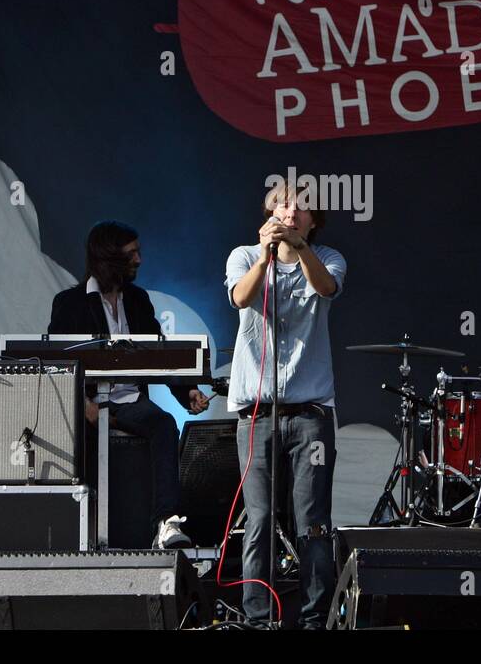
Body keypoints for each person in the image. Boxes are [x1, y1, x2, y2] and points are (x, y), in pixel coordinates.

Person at [226, 183, 346, 628]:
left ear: (313, 221)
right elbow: (241, 297)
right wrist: (265, 255)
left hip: (311, 414)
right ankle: (258, 619)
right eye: (280, 205)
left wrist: (299, 249)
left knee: (312, 522)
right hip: (256, 414)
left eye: (299, 207)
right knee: (257, 520)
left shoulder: (328, 257)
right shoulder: (242, 255)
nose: (289, 211)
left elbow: (327, 288)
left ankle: (315, 619)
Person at [48, 221, 210, 550]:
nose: (139, 260)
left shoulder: (138, 300)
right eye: (132, 253)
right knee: (73, 442)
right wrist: (83, 404)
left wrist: (187, 390)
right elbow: (57, 363)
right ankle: (80, 534)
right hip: (90, 405)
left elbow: (159, 354)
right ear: (109, 258)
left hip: (130, 402)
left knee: (164, 424)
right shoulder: (70, 303)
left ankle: (166, 522)